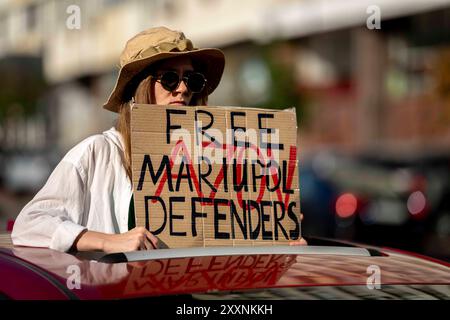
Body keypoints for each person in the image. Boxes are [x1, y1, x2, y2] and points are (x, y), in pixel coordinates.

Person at [12, 26, 306, 253]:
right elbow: (30, 224)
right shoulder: (97, 153)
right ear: (141, 88)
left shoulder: (211, 160)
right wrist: (108, 241)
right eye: (169, 78)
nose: (182, 90)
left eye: (191, 80)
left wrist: (274, 239)